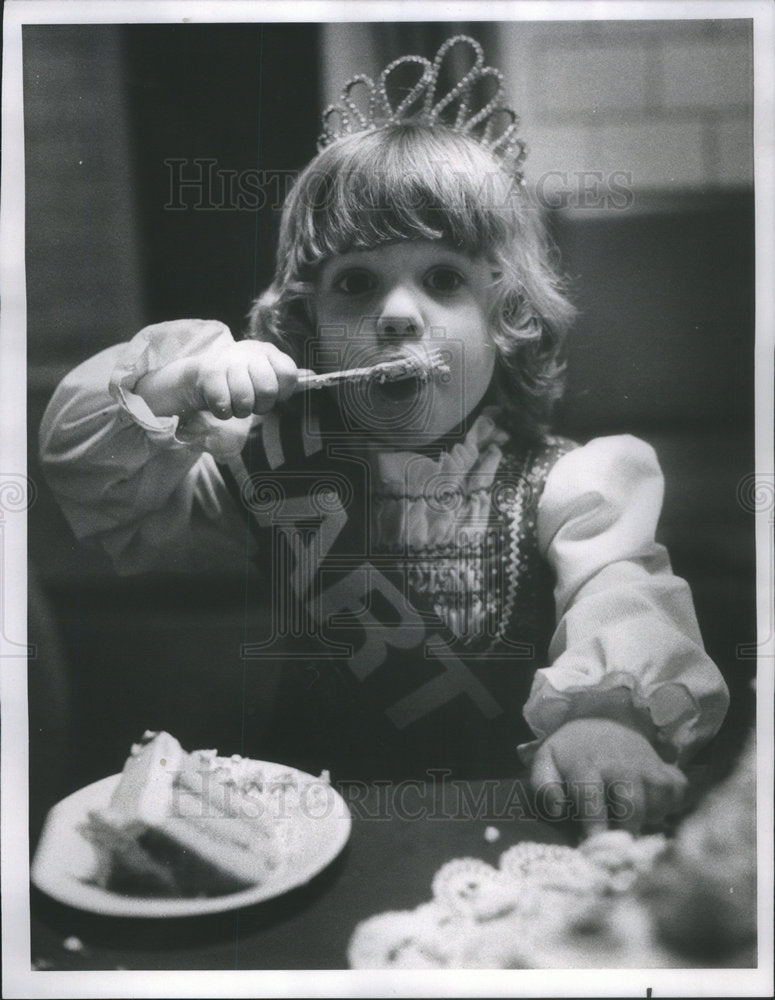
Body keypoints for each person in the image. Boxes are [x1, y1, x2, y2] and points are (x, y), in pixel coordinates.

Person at [39, 35, 729, 833]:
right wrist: (175, 385)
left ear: (504, 318)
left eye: (442, 278)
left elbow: (623, 596)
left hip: (496, 828)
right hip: (301, 839)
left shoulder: (569, 488)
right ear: (309, 330)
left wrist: (605, 716)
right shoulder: (269, 469)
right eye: (356, 284)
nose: (398, 314)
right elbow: (87, 478)